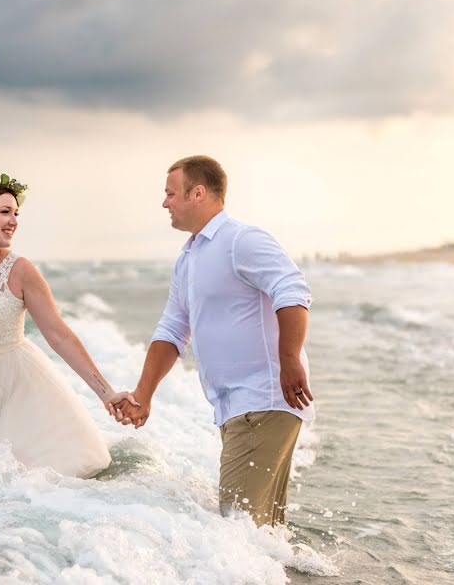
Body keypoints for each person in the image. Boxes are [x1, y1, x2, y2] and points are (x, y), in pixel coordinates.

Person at [113, 156, 315, 526]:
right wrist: (143, 395)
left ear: (198, 193)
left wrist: (289, 359)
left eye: (171, 193)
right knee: (259, 532)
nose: (165, 203)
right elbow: (173, 328)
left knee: (238, 529)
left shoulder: (240, 239)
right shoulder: (189, 256)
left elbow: (292, 290)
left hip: (264, 399)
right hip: (236, 408)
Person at [0, 177, 138, 478]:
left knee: (27, 479)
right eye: (5, 212)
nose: (13, 221)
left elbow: (59, 334)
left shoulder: (21, 270)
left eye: (16, 214)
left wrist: (106, 393)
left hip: (15, 385)